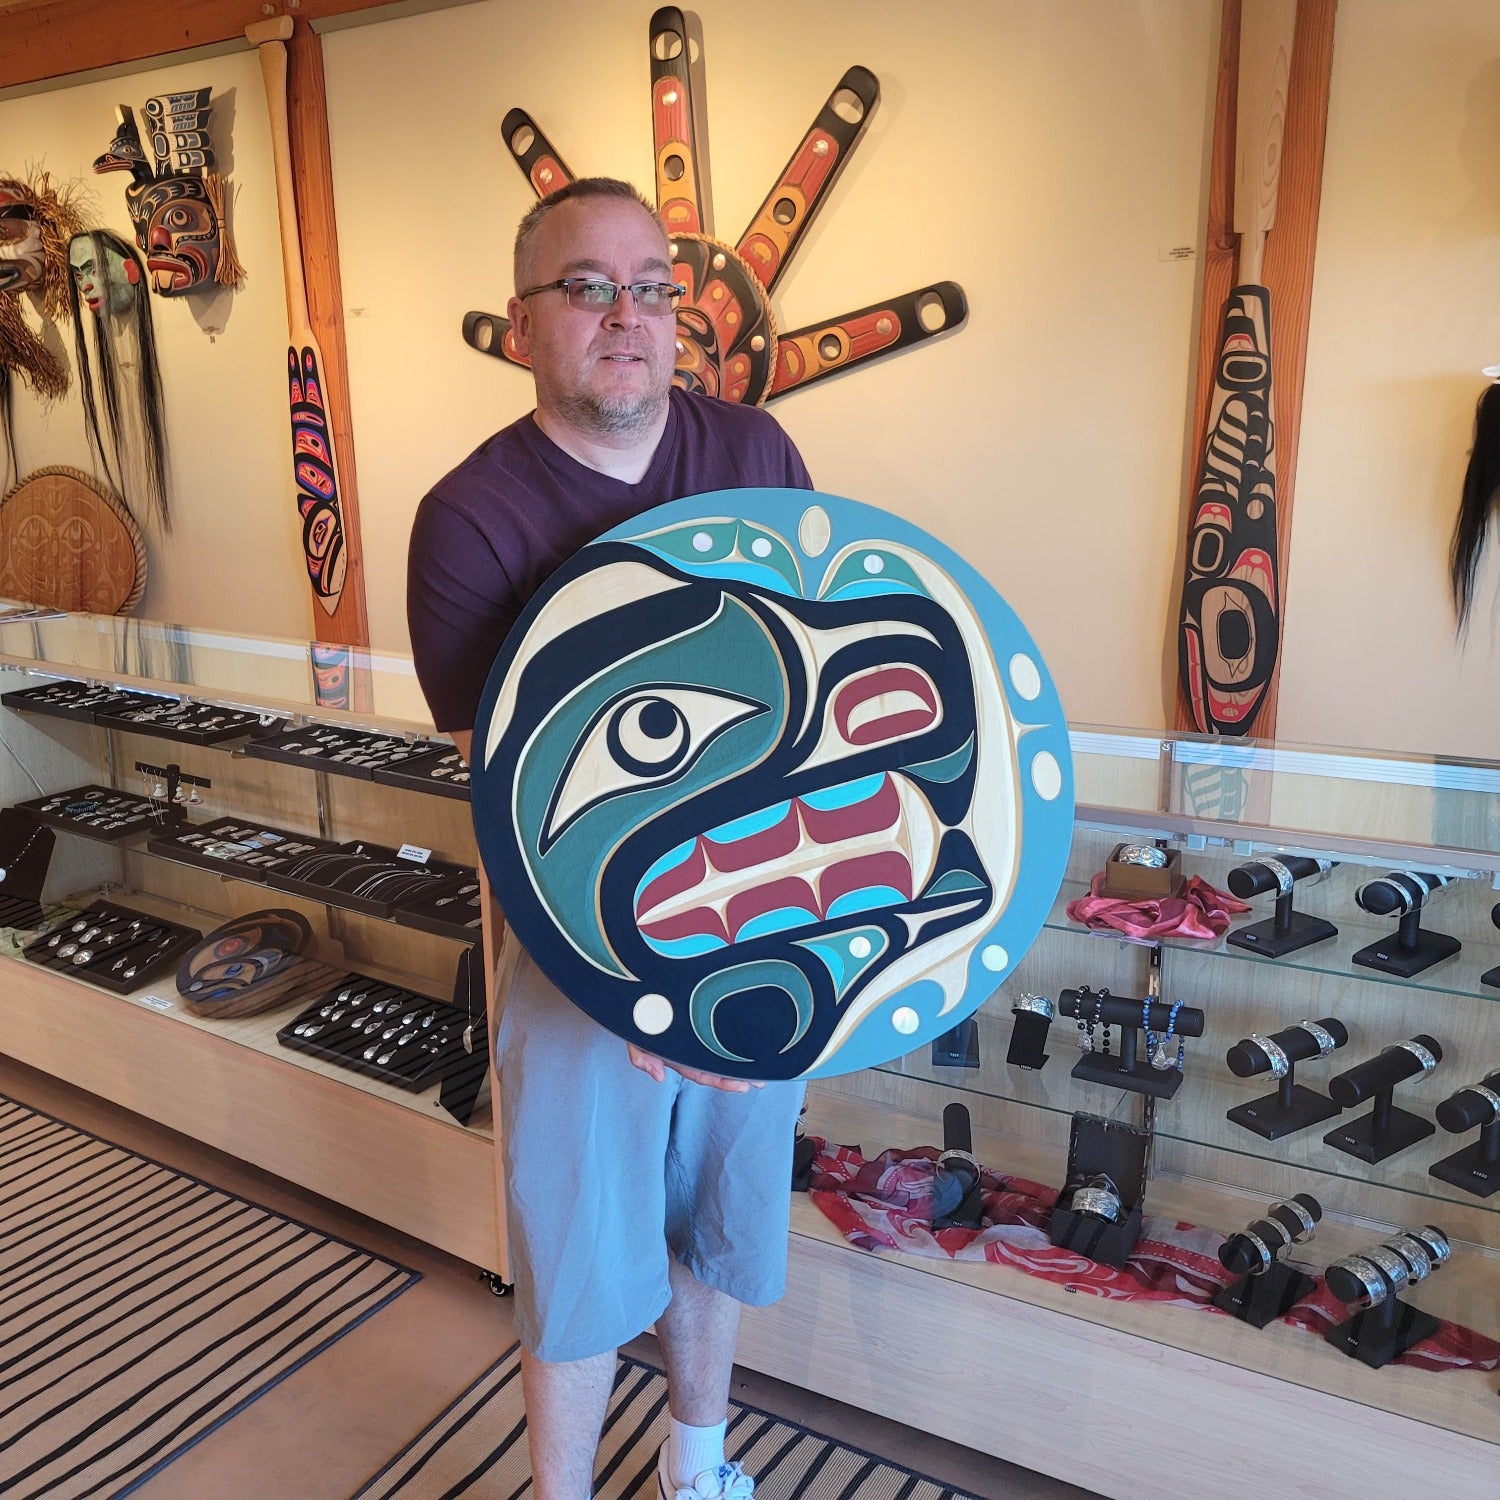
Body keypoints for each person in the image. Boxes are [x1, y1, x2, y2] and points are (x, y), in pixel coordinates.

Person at [407, 178, 812, 1500]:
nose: (626, 314)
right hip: (580, 948)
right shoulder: (470, 519)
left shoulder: (759, 457)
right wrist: (643, 976)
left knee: (718, 1215)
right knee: (579, 1251)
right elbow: (517, 802)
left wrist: (745, 950)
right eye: (586, 286)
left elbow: (814, 718)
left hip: (754, 918)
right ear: (523, 324)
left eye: (651, 284)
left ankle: (699, 1469)